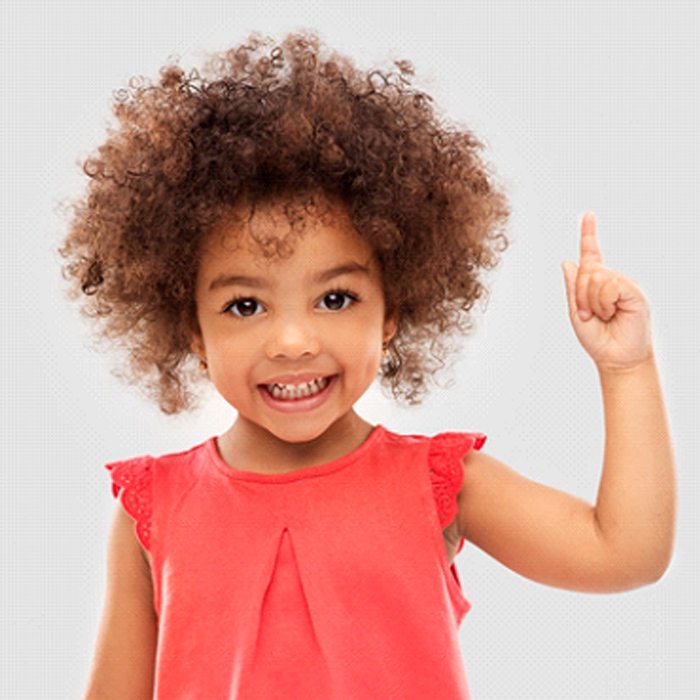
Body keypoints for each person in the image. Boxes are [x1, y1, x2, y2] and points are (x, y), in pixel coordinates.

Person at [58, 29, 676, 700]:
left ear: (390, 312)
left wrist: (627, 369)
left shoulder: (440, 484)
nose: (292, 340)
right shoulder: (156, 507)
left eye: (335, 298)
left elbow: (624, 552)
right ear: (192, 330)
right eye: (244, 306)